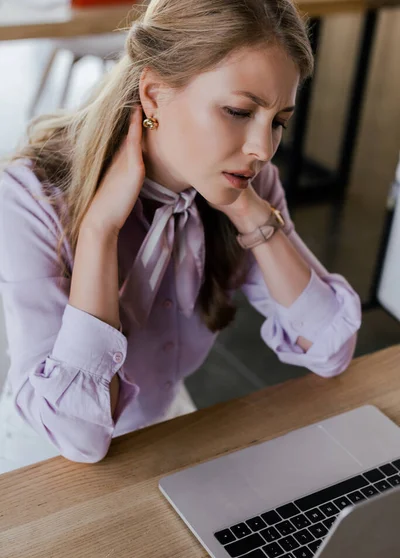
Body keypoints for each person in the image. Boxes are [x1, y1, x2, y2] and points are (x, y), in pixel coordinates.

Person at [0, 0, 361, 466]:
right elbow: (77, 436)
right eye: (237, 111)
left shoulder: (246, 182)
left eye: (278, 122)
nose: (262, 150)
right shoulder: (31, 197)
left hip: (165, 426)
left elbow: (330, 349)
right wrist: (99, 232)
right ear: (153, 94)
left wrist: (252, 215)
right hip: (46, 451)